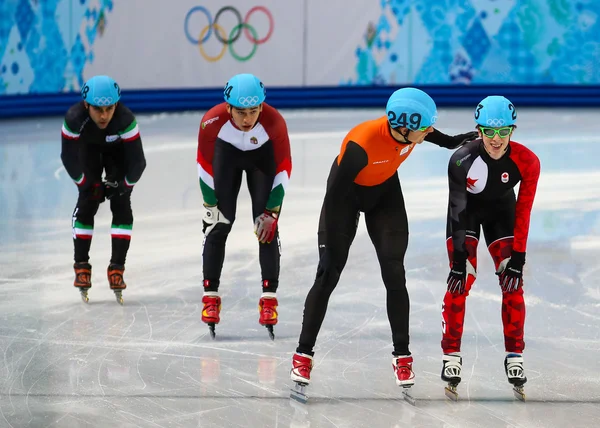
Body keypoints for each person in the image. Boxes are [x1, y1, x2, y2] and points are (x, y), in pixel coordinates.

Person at [290, 87, 478, 392]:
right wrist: (333, 242)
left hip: (384, 194)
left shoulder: (410, 130)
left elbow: (433, 136)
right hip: (345, 196)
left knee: (394, 273)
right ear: (403, 127)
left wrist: (456, 141)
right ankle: (303, 353)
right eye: (424, 127)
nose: (429, 130)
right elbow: (335, 197)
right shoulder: (360, 144)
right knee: (328, 273)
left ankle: (402, 355)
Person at [441, 96, 540, 397]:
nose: (496, 140)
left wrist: (519, 258)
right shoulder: (461, 160)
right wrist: (459, 259)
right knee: (461, 279)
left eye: (503, 132)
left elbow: (523, 210)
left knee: (513, 282)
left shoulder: (528, 161)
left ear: (513, 130)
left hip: (502, 213)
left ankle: (515, 355)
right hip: (466, 214)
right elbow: (457, 209)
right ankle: (451, 355)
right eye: (489, 132)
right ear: (478, 130)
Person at [196, 73, 292, 339]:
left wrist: (272, 211)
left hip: (263, 162)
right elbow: (204, 164)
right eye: (240, 112)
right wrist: (209, 202)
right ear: (228, 108)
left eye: (253, 111)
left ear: (262, 107)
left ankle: (269, 298)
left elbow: (283, 167)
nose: (248, 119)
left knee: (266, 228)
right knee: (218, 225)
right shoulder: (212, 121)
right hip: (225, 158)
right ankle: (210, 296)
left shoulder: (274, 122)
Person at [60, 75, 147, 304]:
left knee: (122, 203)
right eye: (98, 109)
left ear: (116, 105)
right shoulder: (74, 117)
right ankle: (81, 265)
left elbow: (138, 163)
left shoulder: (125, 119)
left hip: (117, 154)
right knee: (87, 201)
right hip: (87, 151)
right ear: (86, 105)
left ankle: (117, 268)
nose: (104, 115)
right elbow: (68, 157)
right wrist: (86, 184)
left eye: (109, 109)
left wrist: (123, 187)